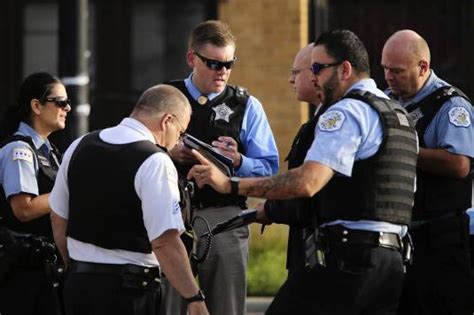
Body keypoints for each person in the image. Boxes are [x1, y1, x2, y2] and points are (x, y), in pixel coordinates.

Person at [188, 29, 419, 314]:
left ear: (345, 69)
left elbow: (308, 182)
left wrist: (231, 185)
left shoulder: (346, 112)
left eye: (318, 69)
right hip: (392, 263)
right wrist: (266, 211)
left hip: (348, 260)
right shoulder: (398, 115)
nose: (313, 77)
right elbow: (366, 190)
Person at [49, 84, 209, 315]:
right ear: (167, 121)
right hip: (130, 292)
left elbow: (58, 217)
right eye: (181, 132)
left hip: (79, 286)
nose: (178, 140)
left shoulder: (79, 145)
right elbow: (165, 241)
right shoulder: (156, 162)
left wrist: (74, 265)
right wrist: (194, 297)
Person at [164, 20, 279, 315]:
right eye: (214, 64)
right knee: (168, 306)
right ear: (192, 59)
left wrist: (238, 161)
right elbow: (135, 152)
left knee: (226, 306)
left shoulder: (246, 105)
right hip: (170, 218)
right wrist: (168, 150)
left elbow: (269, 168)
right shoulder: (166, 97)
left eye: (229, 63)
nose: (223, 72)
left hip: (223, 218)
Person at [381, 29, 474, 315]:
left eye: (396, 70)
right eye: (384, 69)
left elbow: (460, 164)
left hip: (441, 241)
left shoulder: (450, 105)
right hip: (399, 239)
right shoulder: (386, 100)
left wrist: (404, 150)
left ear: (422, 67)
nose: (388, 77)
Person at [261, 43, 326, 313]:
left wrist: (270, 208)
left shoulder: (330, 129)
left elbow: (309, 193)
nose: (290, 79)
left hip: (322, 257)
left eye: (295, 72)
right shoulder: (311, 126)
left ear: (315, 74)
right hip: (304, 254)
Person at [0, 72, 70, 315]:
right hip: (24, 270)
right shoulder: (19, 149)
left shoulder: (50, 151)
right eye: (60, 102)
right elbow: (24, 209)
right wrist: (68, 192)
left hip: (46, 269)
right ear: (36, 106)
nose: (67, 108)